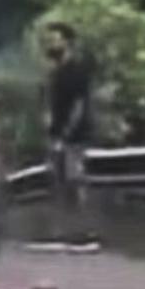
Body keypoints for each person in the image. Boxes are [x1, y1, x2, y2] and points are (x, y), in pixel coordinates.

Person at [43, 23, 98, 252]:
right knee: (59, 182)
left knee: (76, 180)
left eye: (56, 39)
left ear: (67, 42)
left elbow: (79, 105)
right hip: (57, 135)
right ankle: (64, 231)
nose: (51, 44)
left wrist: (66, 134)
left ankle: (85, 231)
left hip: (74, 136)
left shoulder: (77, 70)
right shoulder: (55, 72)